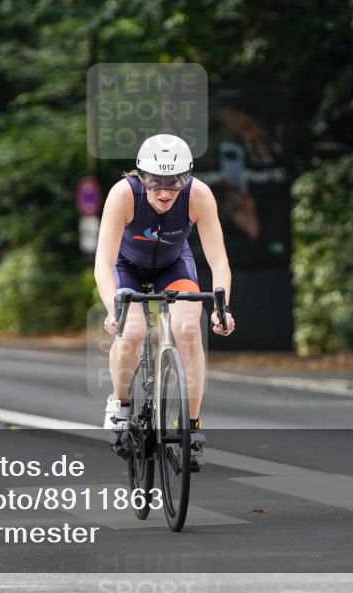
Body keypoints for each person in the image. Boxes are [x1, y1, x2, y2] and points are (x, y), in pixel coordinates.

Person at [94, 133, 236, 471]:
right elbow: (103, 261)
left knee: (188, 329)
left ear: (187, 178)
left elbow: (218, 262)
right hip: (125, 267)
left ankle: (192, 425)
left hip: (173, 265)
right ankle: (121, 403)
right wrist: (111, 307)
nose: (163, 192)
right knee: (131, 333)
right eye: (155, 182)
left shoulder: (199, 195)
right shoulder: (123, 195)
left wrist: (222, 307)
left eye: (173, 183)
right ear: (141, 176)